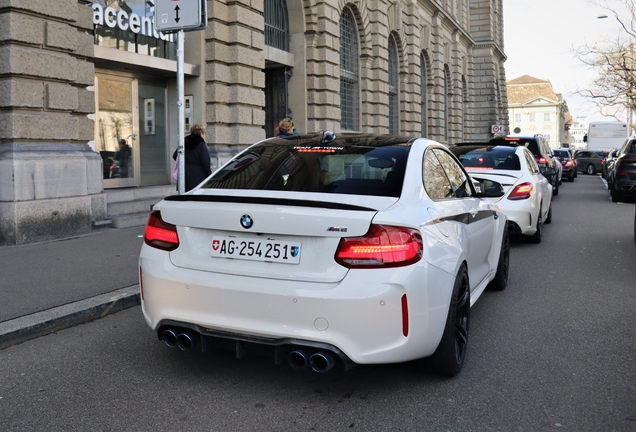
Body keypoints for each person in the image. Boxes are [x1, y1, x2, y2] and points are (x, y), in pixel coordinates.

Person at [172, 123, 212, 192]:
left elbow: (175, 155)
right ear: (201, 133)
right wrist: (210, 176)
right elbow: (206, 163)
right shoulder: (201, 145)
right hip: (198, 178)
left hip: (184, 177)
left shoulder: (184, 142)